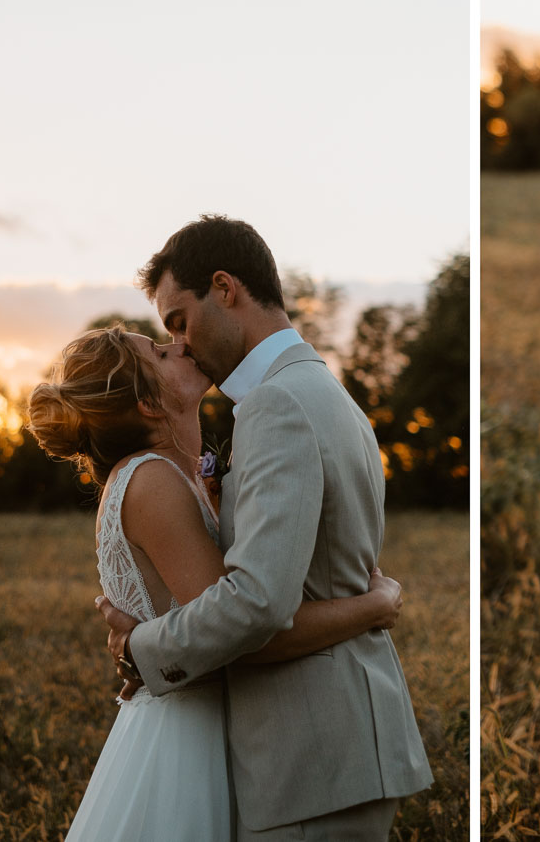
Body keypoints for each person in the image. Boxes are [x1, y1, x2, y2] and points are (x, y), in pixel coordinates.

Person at [97, 215, 433, 842]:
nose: (181, 344)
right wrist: (373, 604)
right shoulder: (321, 390)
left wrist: (141, 648)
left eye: (179, 321)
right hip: (336, 750)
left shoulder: (277, 404)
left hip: (310, 756)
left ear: (224, 288)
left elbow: (259, 601)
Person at [28, 324, 405, 841]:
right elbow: (242, 632)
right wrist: (373, 607)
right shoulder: (152, 480)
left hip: (224, 725)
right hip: (186, 745)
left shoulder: (175, 475)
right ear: (148, 404)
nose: (179, 344)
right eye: (161, 353)